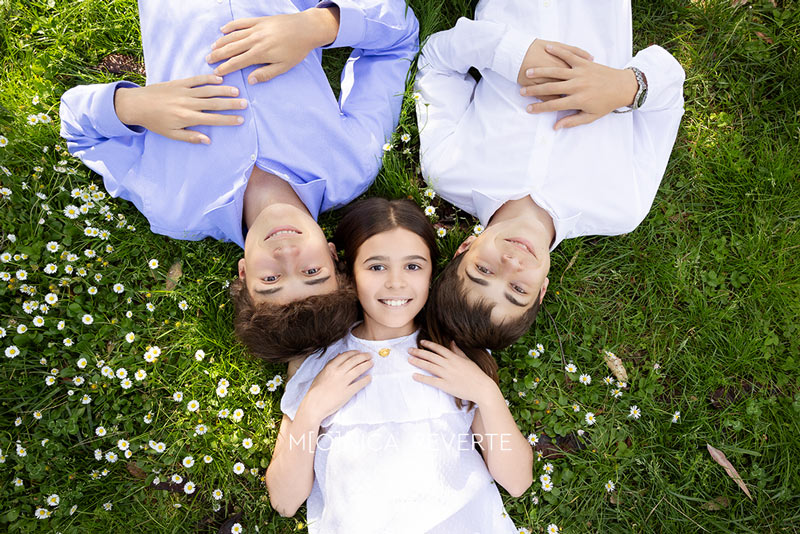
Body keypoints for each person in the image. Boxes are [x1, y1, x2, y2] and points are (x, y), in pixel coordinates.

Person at [59, 0, 419, 360]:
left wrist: (133, 106)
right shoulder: (352, 164)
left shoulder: (175, 206)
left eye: (270, 280)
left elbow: (77, 128)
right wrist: (318, 25)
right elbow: (398, 37)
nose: (286, 254)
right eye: (312, 271)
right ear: (332, 254)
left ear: (243, 274)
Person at [415, 0, 686, 352]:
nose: (510, 264)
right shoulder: (620, 208)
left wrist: (512, 54)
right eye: (518, 290)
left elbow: (436, 61)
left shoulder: (448, 169)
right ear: (542, 288)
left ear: (465, 248)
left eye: (483, 271)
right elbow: (669, 89)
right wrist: (625, 87)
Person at [266, 198, 531, 533]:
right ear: (350, 273)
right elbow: (285, 501)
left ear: (432, 273)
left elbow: (517, 481)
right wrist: (311, 410)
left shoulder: (455, 355)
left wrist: (486, 394)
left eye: (413, 267)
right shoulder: (320, 362)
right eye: (376, 267)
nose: (396, 283)